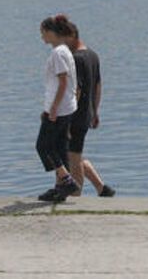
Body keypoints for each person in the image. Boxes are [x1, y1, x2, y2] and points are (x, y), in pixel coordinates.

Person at [55, 15, 116, 197]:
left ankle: (75, 196)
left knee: (71, 157)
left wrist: (66, 117)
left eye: (62, 40)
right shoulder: (93, 55)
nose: (61, 45)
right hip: (87, 113)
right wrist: (95, 111)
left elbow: (77, 90)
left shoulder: (76, 59)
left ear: (72, 35)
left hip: (75, 115)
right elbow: (98, 86)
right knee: (71, 154)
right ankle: (101, 188)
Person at [36, 15, 80, 202]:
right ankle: (60, 187)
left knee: (43, 146)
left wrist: (52, 108)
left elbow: (63, 82)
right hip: (66, 106)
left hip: (60, 108)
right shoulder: (64, 51)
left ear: (51, 32)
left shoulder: (58, 53)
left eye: (43, 33)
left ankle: (66, 179)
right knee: (60, 147)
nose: (42, 37)